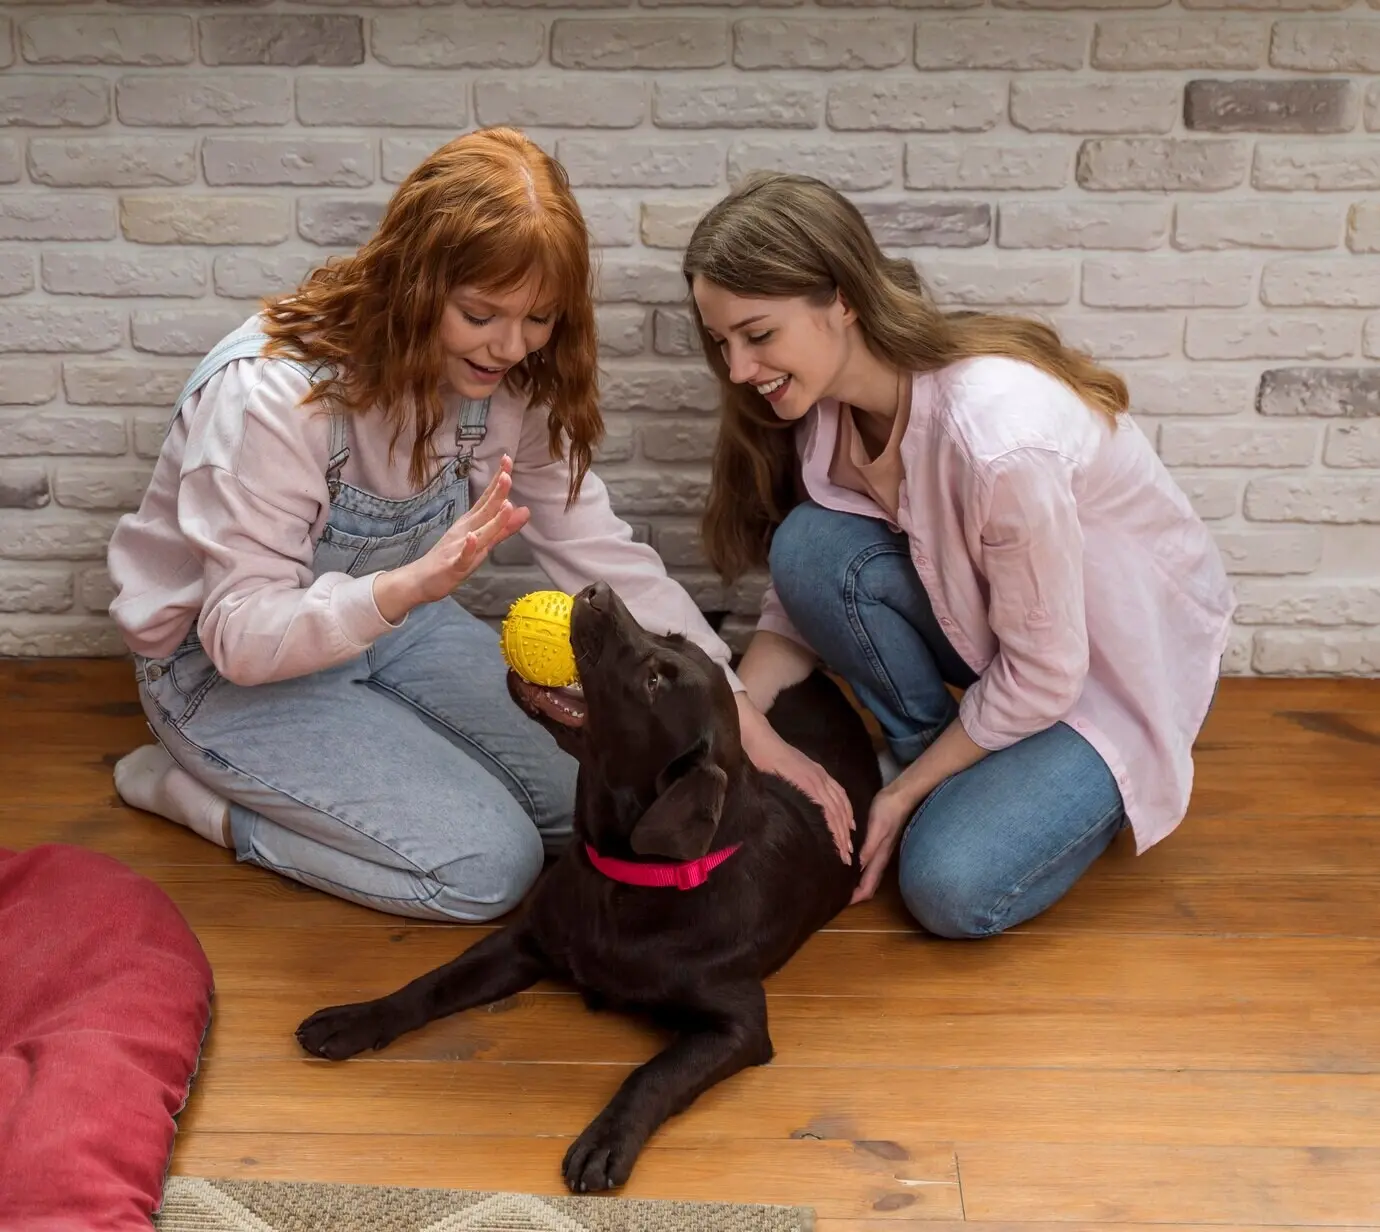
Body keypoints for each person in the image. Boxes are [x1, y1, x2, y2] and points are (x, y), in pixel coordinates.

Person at [106, 128, 836, 923]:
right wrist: (401, 589)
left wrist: (741, 714)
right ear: (413, 282)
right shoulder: (273, 399)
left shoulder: (505, 384)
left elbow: (601, 553)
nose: (510, 346)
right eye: (480, 314)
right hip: (222, 671)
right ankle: (200, 801)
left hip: (395, 630)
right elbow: (240, 637)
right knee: (485, 869)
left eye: (539, 318)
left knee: (588, 805)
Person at [681, 172, 1235, 938]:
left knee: (947, 886)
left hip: (1109, 676)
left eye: (758, 334)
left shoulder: (999, 440)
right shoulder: (828, 410)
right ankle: (949, 760)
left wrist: (903, 793)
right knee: (807, 546)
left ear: (842, 300)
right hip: (1015, 640)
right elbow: (802, 591)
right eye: (723, 343)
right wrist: (738, 732)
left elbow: (1049, 672)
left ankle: (984, 783)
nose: (739, 370)